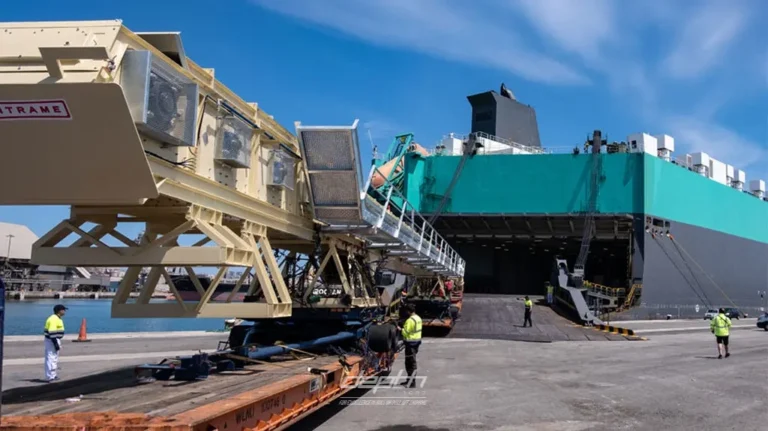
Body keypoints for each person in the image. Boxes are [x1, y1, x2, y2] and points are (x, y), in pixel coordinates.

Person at [398, 303, 422, 388]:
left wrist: (400, 329)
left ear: (408, 311)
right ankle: (409, 380)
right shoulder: (418, 318)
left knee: (410, 363)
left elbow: (405, 332)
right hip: (416, 342)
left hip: (410, 343)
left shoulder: (410, 320)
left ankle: (412, 382)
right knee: (411, 362)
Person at [44, 304, 67, 382]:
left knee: (54, 358)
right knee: (51, 357)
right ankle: (50, 376)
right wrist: (55, 344)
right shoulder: (53, 319)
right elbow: (52, 332)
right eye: (63, 310)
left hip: (55, 339)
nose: (65, 311)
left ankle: (53, 375)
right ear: (59, 311)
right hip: (51, 340)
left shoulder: (57, 318)